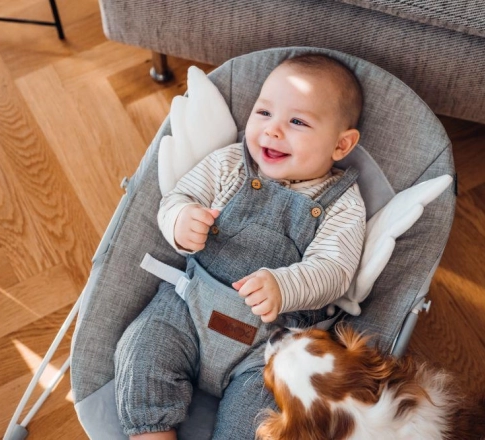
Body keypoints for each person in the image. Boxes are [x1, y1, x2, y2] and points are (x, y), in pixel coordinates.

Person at [114, 54, 367, 440]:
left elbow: (334, 269)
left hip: (269, 346)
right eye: (263, 112)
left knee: (266, 416)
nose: (272, 131)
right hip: (188, 308)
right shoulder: (229, 163)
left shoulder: (342, 204)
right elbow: (176, 197)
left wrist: (285, 286)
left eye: (297, 122)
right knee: (142, 348)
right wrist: (182, 219)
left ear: (341, 144)